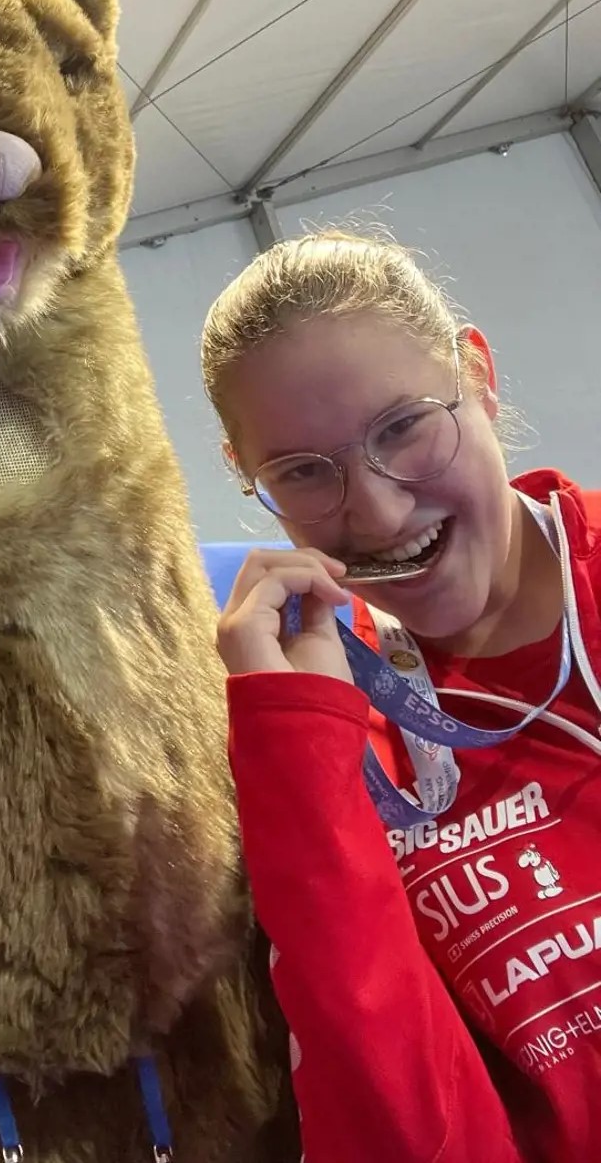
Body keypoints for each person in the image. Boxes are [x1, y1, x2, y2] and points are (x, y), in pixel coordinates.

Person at [203, 229, 601, 1163]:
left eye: (403, 426)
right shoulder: (346, 744)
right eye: (302, 470)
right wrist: (298, 753)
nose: (377, 512)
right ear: (246, 474)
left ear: (478, 372)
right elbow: (404, 1127)